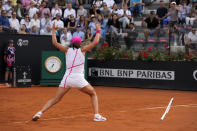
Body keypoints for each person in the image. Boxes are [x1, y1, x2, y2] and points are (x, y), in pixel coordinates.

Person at [32, 23, 107, 122]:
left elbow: (55, 43)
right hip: (78, 79)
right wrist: (98, 30)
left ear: (72, 43)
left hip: (67, 78)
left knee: (56, 99)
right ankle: (96, 115)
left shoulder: (67, 50)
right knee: (93, 94)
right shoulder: (83, 50)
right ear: (79, 43)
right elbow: (96, 41)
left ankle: (39, 112)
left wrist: (53, 30)